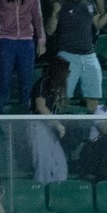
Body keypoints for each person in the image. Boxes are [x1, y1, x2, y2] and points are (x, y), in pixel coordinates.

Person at [46, 0, 107, 112]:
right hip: (67, 57)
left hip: (89, 56)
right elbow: (50, 31)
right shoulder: (60, 3)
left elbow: (97, 24)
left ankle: (93, 132)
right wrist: (54, 13)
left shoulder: (89, 0)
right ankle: (60, 130)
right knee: (62, 98)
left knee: (93, 98)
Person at [28, 56, 71, 184]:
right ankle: (41, 193)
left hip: (50, 128)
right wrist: (58, 125)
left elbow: (62, 106)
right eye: (66, 71)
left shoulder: (57, 87)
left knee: (60, 163)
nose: (68, 74)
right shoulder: (43, 82)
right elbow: (40, 106)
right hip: (38, 126)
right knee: (43, 164)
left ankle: (58, 192)